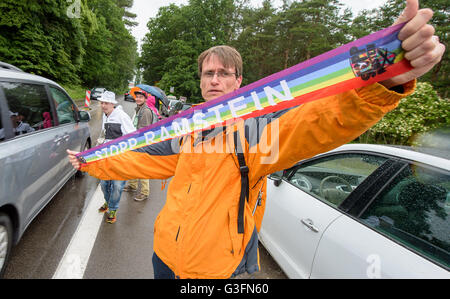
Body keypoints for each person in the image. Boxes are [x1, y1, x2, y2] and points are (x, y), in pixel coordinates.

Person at [67, 0, 445, 278]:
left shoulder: (254, 132)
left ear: (238, 82)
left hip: (217, 272)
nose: (214, 79)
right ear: (200, 80)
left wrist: (385, 79)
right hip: (164, 257)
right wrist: (89, 161)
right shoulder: (186, 126)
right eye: (208, 73)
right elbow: (141, 156)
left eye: (223, 73)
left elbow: (318, 123)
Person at [96, 91, 135, 223]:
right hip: (106, 157)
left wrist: (122, 149)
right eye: (102, 102)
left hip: (121, 159)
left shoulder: (122, 116)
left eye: (106, 103)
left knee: (117, 186)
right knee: (104, 184)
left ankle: (113, 209)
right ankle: (108, 202)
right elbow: (104, 133)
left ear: (112, 104)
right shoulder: (105, 116)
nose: (103, 105)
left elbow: (132, 136)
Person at [122, 87, 157, 201]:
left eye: (141, 97)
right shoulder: (139, 109)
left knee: (142, 167)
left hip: (142, 142)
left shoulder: (145, 111)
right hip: (136, 141)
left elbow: (144, 131)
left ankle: (145, 192)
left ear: (145, 99)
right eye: (137, 97)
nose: (138, 98)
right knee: (134, 164)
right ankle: (133, 185)